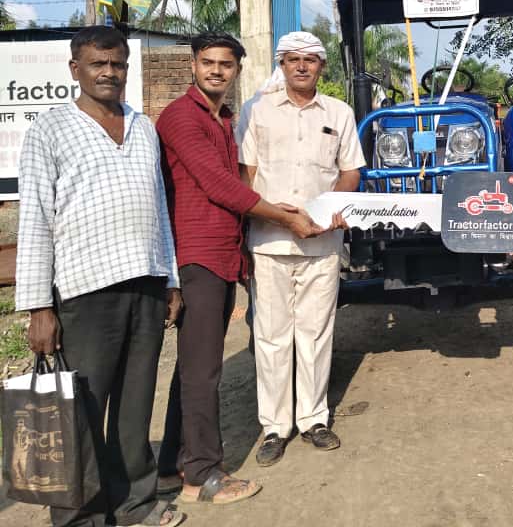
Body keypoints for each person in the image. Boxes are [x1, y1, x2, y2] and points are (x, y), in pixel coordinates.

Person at [15, 26, 185, 527]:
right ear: (76, 70)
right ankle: (80, 517)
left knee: (134, 413)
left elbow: (159, 208)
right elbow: (35, 221)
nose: (110, 72)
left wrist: (170, 279)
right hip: (85, 293)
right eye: (98, 64)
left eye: (118, 64)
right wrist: (39, 307)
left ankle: (135, 503)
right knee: (82, 414)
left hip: (147, 287)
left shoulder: (143, 126)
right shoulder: (50, 130)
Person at [155, 33, 324, 504]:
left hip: (224, 252)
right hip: (197, 254)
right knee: (204, 370)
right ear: (193, 65)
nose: (216, 71)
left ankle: (172, 463)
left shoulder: (224, 118)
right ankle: (203, 475)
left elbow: (235, 185)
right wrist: (284, 214)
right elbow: (218, 185)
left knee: (192, 367)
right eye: (207, 62)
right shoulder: (180, 117)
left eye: (225, 65)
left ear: (236, 70)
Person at [239, 31, 365, 467]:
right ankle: (275, 426)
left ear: (321, 67)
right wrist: (279, 216)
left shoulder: (339, 113)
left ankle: (313, 418)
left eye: (310, 60)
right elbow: (245, 174)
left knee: (314, 333)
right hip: (270, 242)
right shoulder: (255, 111)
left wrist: (331, 207)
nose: (301, 67)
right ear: (282, 64)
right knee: (272, 337)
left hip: (323, 243)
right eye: (292, 59)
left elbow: (350, 172)